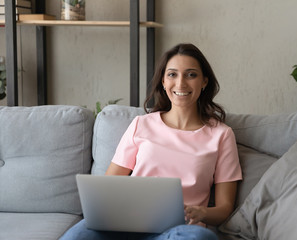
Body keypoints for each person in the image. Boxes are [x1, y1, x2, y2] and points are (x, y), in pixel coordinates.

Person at [60, 43, 242, 240]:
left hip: (180, 229)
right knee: (80, 233)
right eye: (172, 74)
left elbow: (224, 208)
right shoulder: (141, 124)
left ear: (204, 81)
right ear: (163, 81)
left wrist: (202, 212)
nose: (181, 83)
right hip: (127, 222)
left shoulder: (221, 135)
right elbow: (109, 186)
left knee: (199, 237)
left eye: (191, 75)